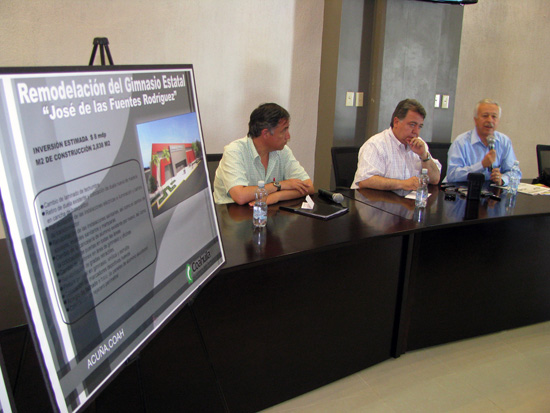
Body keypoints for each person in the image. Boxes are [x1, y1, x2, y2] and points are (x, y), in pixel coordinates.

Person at [214, 103, 314, 205]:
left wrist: (276, 196)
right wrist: (279, 185)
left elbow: (308, 186)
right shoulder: (234, 151)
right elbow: (240, 196)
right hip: (232, 215)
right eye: (284, 130)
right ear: (266, 134)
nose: (288, 136)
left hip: (266, 213)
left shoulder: (283, 151)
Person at [351, 99, 441, 191]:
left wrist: (424, 156)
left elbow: (435, 179)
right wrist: (402, 184)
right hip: (375, 202)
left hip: (407, 203)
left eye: (420, 126)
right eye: (412, 125)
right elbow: (365, 180)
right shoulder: (376, 144)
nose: (416, 132)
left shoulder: (420, 145)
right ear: (396, 122)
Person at [445, 99, 520, 185]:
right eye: (485, 116)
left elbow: (515, 173)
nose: (490, 120)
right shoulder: (461, 142)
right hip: (463, 193)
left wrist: (502, 179)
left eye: (494, 117)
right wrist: (481, 165)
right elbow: (452, 175)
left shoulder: (504, 141)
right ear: (475, 120)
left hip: (491, 193)